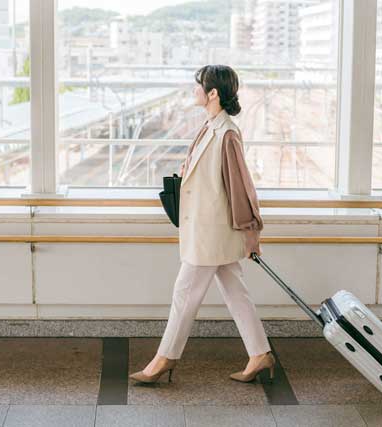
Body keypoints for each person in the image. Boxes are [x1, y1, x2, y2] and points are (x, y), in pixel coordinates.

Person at [129, 64, 275, 385]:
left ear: (213, 93)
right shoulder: (210, 127)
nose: (194, 90)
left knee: (184, 294)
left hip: (212, 233)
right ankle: (260, 353)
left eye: (199, 85)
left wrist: (252, 233)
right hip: (209, 231)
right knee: (236, 293)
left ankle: (165, 358)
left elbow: (241, 187)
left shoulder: (227, 134)